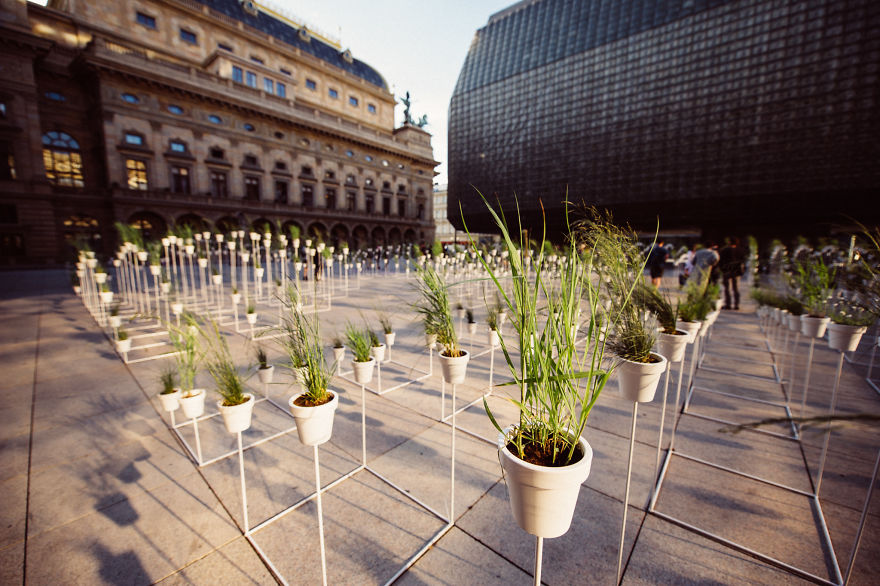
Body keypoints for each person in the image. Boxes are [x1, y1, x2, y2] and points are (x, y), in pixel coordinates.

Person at [719, 237, 747, 309]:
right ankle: (736, 305)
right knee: (736, 289)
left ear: (729, 242)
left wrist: (722, 269)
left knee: (727, 289)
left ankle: (728, 304)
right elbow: (743, 261)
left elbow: (720, 261)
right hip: (736, 272)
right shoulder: (741, 250)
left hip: (727, 271)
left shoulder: (724, 250)